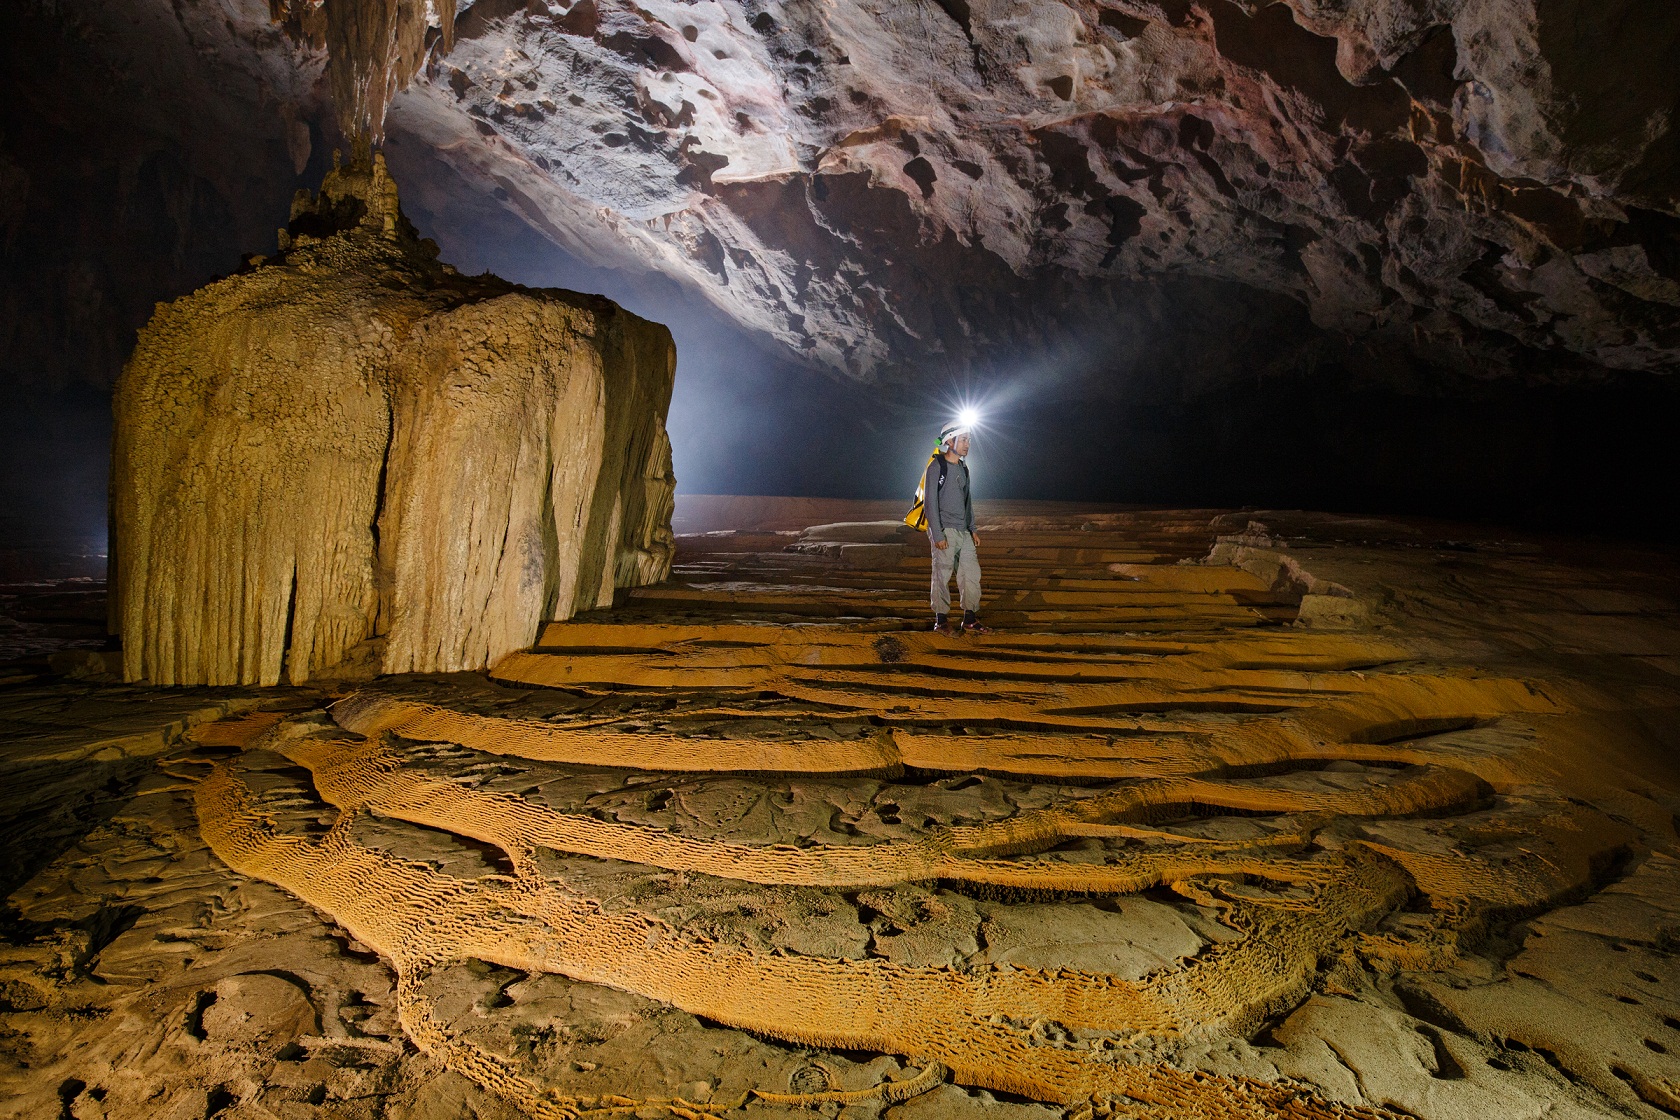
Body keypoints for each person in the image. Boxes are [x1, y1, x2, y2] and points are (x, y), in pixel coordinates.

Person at [923, 421, 990, 635]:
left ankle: (969, 619)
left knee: (971, 574)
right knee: (942, 575)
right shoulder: (937, 467)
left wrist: (973, 528)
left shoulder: (964, 468)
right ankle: (940, 620)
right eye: (963, 439)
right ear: (949, 441)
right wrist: (937, 533)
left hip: (963, 531)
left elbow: (967, 500)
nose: (967, 444)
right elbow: (929, 502)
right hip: (945, 530)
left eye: (968, 440)